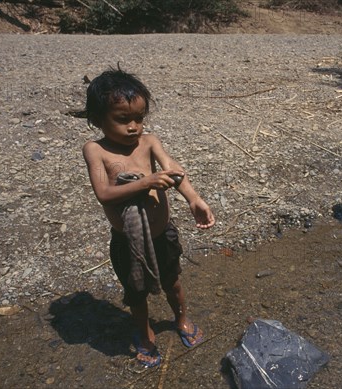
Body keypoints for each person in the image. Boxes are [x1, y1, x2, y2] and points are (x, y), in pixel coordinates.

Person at [82, 68, 215, 368]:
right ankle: (144, 332)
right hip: (128, 241)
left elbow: (174, 170)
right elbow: (103, 193)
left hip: (162, 233)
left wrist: (194, 199)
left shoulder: (149, 142)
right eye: (122, 119)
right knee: (136, 294)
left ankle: (181, 319)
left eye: (139, 118)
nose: (133, 127)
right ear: (97, 119)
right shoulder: (96, 150)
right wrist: (145, 182)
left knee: (174, 283)